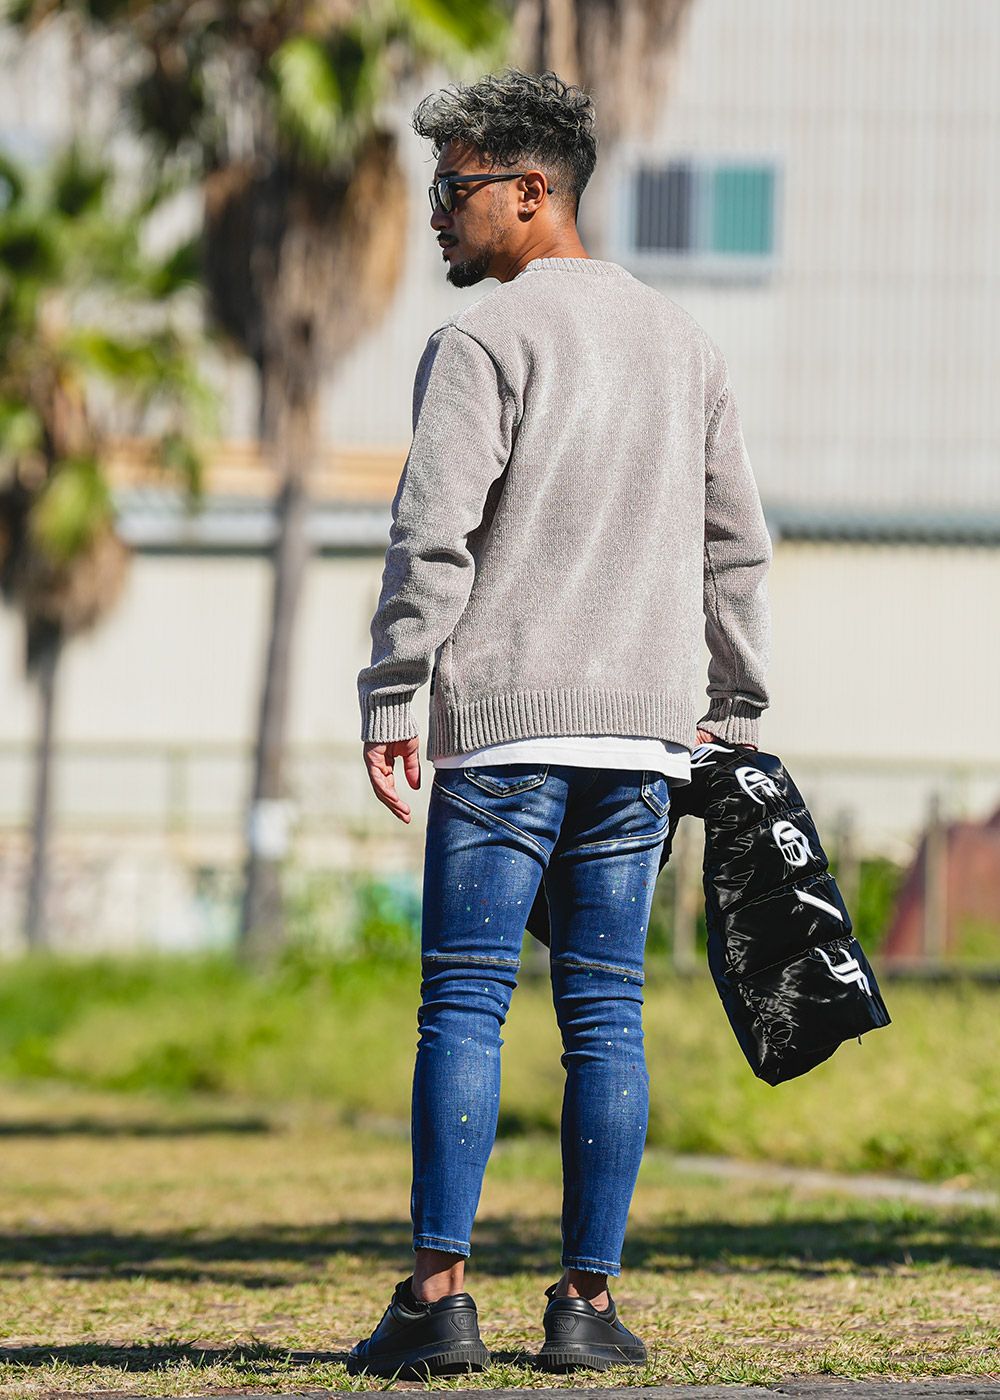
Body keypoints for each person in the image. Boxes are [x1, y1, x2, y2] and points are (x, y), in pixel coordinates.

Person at [351, 68, 772, 1378]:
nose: (437, 213)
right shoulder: (685, 345)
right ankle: (585, 1309)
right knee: (605, 1017)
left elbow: (433, 537)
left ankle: (438, 1303)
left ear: (532, 192)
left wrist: (392, 690)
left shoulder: (484, 343)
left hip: (505, 738)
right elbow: (736, 549)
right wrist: (735, 712)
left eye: (455, 188)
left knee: (464, 1005)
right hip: (642, 743)